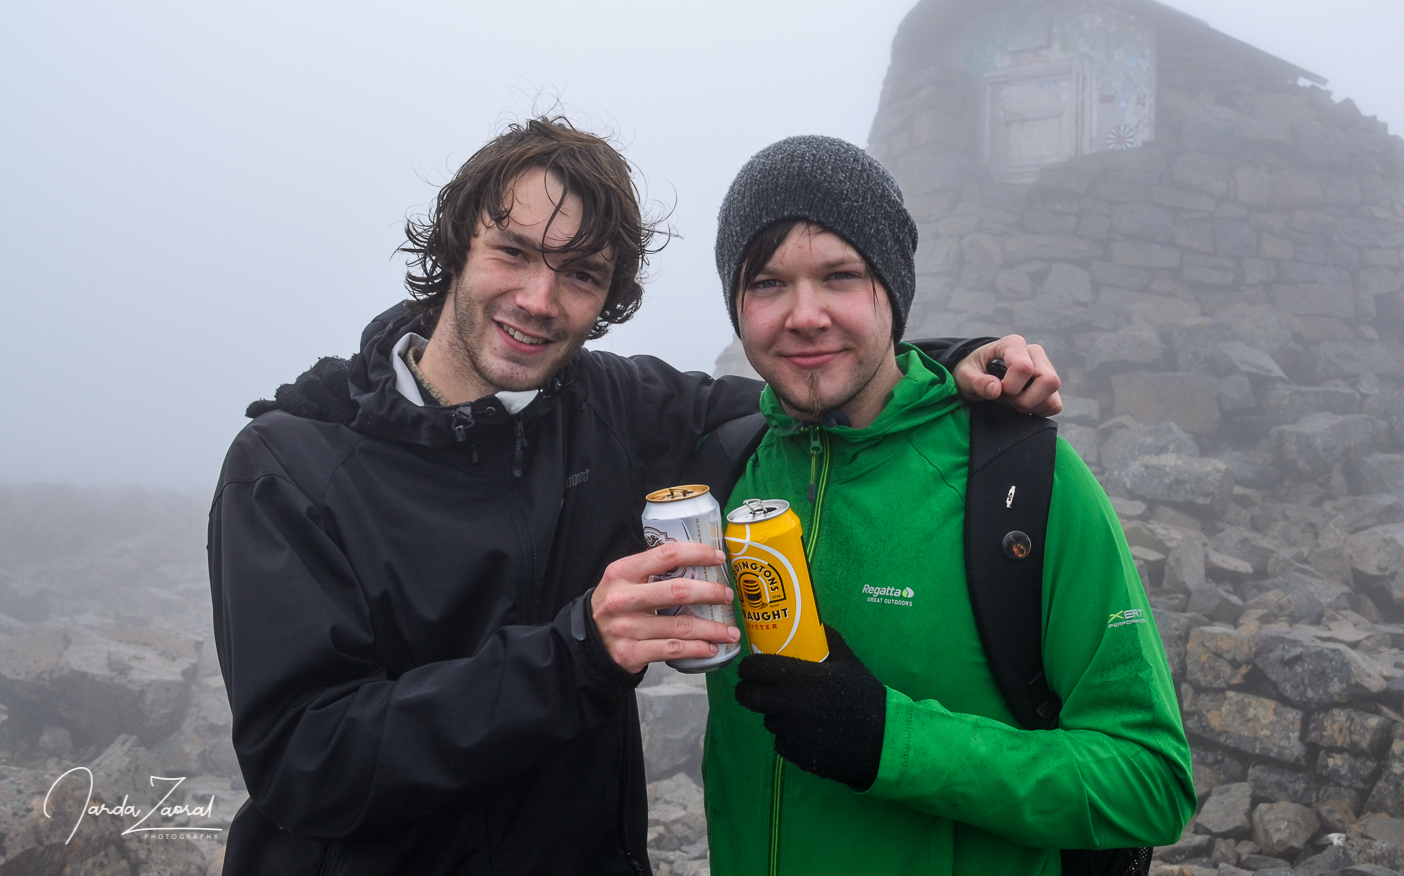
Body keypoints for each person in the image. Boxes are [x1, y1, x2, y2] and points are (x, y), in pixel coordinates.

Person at [209, 117, 1062, 875]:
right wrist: (577, 651)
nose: (539, 301)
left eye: (581, 274)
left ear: (607, 297)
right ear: (453, 249)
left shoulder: (613, 409)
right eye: (513, 252)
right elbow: (304, 762)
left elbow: (800, 389)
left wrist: (955, 363)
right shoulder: (289, 465)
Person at [700, 136, 1195, 876]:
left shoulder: (1022, 482)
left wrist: (891, 742)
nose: (804, 315)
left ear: (892, 291)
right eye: (767, 283)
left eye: (840, 275)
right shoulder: (726, 467)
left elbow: (1151, 782)